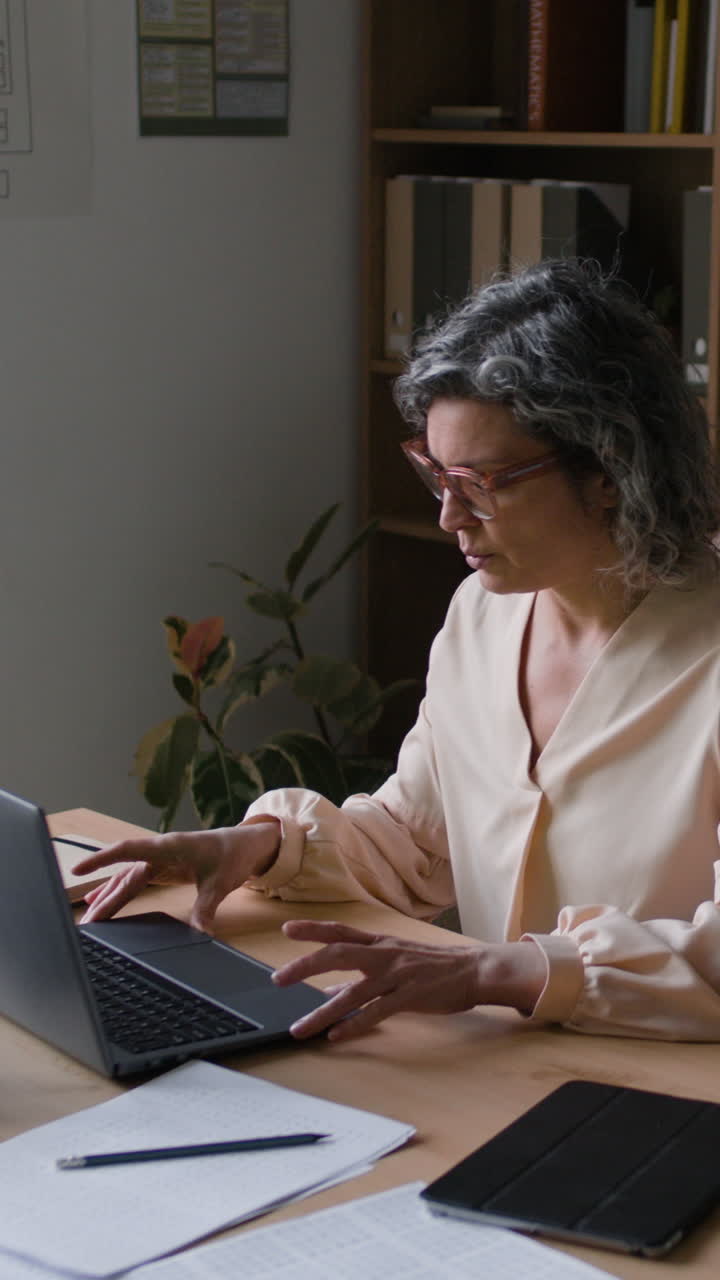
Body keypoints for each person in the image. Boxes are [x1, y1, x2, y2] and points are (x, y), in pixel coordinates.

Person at [76, 258, 720, 1044]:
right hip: (515, 1066)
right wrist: (255, 847)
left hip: (674, 1086)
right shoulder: (484, 618)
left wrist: (493, 971)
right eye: (436, 474)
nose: (451, 517)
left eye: (483, 482)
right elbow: (418, 840)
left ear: (612, 469)